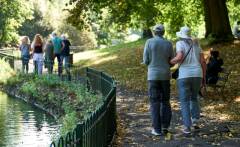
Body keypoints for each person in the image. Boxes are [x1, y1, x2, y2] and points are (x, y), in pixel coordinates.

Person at [170, 26, 206, 136]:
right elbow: (203, 62)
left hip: (185, 75)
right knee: (194, 97)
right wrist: (204, 78)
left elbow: (179, 57)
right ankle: (195, 121)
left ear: (181, 35)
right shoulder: (197, 44)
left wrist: (170, 61)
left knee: (185, 101)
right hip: (197, 74)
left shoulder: (180, 43)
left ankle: (187, 127)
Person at [142, 24, 174, 136]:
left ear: (154, 32)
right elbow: (171, 61)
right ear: (164, 32)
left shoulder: (149, 42)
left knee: (155, 102)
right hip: (165, 75)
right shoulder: (169, 43)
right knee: (165, 101)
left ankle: (157, 129)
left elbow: (145, 60)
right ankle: (165, 127)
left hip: (153, 76)